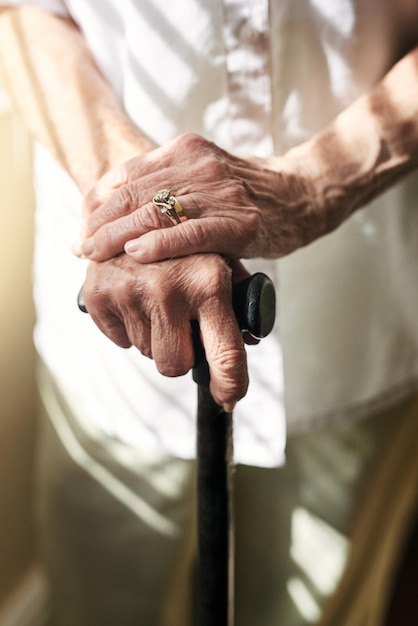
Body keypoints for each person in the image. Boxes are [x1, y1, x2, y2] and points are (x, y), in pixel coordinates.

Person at [0, 2, 417, 625]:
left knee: (309, 606)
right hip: (117, 331)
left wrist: (307, 186)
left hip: (350, 307)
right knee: (99, 598)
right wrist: (132, 202)